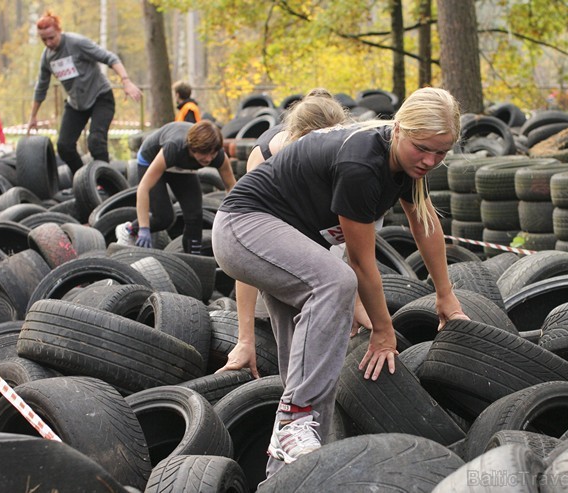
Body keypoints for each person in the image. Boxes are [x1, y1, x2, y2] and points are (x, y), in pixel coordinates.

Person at [211, 87, 469, 478]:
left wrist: (445, 296)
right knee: (336, 283)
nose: (431, 160)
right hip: (242, 229)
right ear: (399, 129)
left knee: (304, 370)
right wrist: (384, 330)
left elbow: (425, 225)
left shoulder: (407, 163)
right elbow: (362, 264)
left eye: (442, 153)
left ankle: (285, 477)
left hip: (283, 240)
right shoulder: (362, 162)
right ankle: (295, 420)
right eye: (423, 148)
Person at [216, 90, 375, 380]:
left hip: (322, 227)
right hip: (273, 228)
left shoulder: (345, 156)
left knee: (336, 294)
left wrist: (359, 304)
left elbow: (353, 246)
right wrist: (245, 339)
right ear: (297, 139)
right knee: (285, 305)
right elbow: (247, 261)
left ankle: (330, 380)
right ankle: (296, 396)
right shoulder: (263, 162)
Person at [26, 10, 142, 173]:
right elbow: (41, 87)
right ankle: (83, 179)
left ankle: (105, 181)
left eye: (51, 38)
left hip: (100, 98)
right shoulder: (47, 58)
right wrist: (33, 116)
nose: (49, 43)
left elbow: (110, 58)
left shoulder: (77, 43)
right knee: (64, 147)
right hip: (76, 104)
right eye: (44, 40)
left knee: (95, 141)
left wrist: (126, 81)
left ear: (59, 31)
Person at [116, 120, 236, 255]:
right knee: (164, 218)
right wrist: (144, 228)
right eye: (204, 153)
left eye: (212, 153)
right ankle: (129, 229)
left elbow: (231, 187)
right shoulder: (174, 147)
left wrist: (235, 216)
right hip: (151, 161)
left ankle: (193, 258)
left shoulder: (217, 155)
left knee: (195, 215)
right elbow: (143, 188)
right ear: (192, 147)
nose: (208, 159)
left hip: (182, 169)